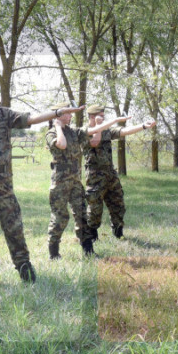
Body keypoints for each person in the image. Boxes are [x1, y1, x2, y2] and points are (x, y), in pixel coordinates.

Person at [0, 75, 83, 283]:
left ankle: (24, 267)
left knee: (14, 225)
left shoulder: (3, 114)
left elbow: (31, 119)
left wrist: (57, 113)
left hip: (3, 182)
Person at [45, 103, 128, 259]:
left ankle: (88, 251)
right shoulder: (51, 133)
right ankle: (54, 253)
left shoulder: (73, 131)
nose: (71, 115)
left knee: (82, 216)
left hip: (75, 182)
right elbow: (61, 144)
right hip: (60, 183)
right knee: (60, 218)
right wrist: (57, 126)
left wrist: (115, 120)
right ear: (59, 115)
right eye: (68, 113)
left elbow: (94, 130)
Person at [82, 104, 156, 241]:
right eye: (100, 116)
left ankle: (118, 231)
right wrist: (98, 126)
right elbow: (94, 142)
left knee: (118, 203)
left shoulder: (106, 130)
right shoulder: (83, 131)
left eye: (103, 116)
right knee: (95, 208)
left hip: (110, 174)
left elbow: (124, 131)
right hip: (95, 176)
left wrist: (143, 126)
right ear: (92, 116)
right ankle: (92, 236)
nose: (103, 119)